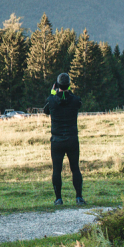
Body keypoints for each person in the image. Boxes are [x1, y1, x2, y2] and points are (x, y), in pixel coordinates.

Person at [42, 73, 85, 206]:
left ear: (57, 85)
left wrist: (53, 93)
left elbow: (46, 111)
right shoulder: (75, 100)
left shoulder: (51, 100)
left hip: (57, 140)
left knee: (57, 170)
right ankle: (78, 197)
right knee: (75, 168)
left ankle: (58, 199)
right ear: (69, 84)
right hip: (72, 139)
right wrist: (68, 93)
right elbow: (78, 103)